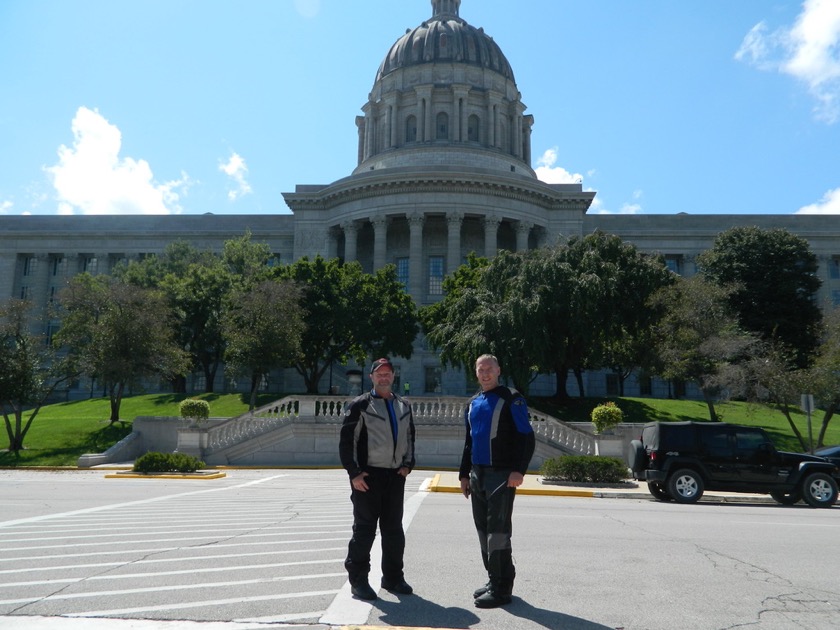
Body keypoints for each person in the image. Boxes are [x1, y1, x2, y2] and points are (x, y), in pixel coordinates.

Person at [459, 354, 535, 608]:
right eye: (480, 369)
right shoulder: (473, 402)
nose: (485, 373)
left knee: (498, 534)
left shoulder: (511, 398)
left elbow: (526, 437)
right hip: (477, 474)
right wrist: (463, 475)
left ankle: (503, 588)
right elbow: (469, 442)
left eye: (489, 368)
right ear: (476, 373)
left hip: (502, 475)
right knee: (483, 532)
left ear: (499, 370)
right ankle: (494, 579)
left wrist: (518, 471)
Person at [340, 357, 416, 600]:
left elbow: (411, 438)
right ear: (371, 377)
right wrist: (354, 473)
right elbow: (346, 442)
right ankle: (358, 580)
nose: (384, 377)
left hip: (395, 477)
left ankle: (393, 578)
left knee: (394, 531)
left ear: (394, 376)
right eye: (379, 374)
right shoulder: (360, 405)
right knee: (364, 531)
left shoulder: (404, 405)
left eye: (388, 373)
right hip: (368, 478)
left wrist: (407, 465)